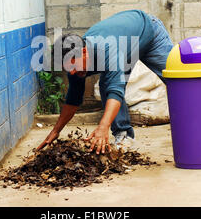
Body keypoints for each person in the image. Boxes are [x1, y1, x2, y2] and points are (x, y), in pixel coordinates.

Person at [37, 10, 174, 154]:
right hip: (125, 44)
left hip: (149, 32)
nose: (71, 72)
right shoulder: (75, 67)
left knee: (176, 78)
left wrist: (103, 127)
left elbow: (116, 91)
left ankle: (197, 118)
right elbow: (73, 100)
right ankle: (123, 135)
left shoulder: (107, 49)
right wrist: (56, 131)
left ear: (84, 52)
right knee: (106, 84)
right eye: (67, 69)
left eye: (72, 66)